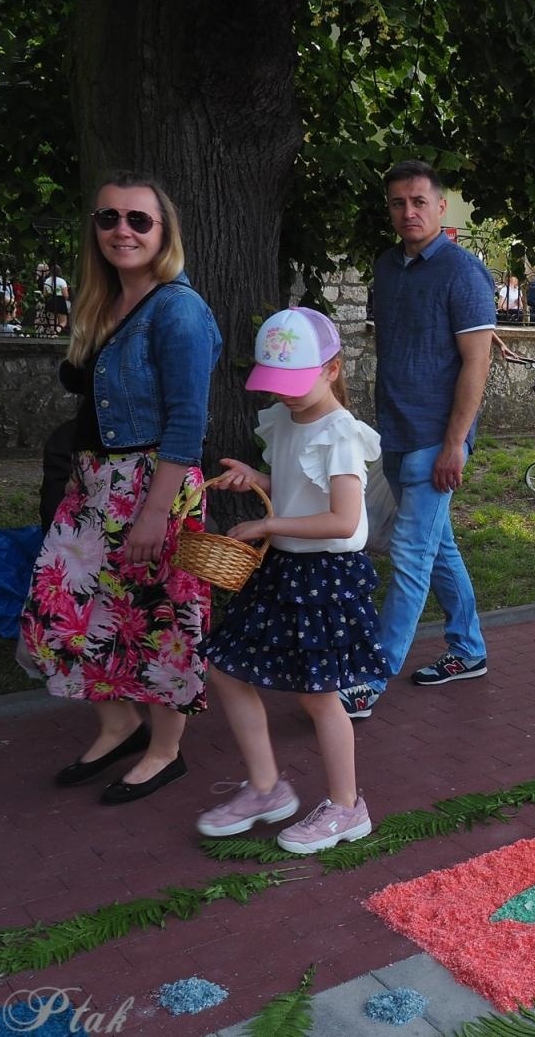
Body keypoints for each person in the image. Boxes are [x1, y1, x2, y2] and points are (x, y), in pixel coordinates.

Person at [21, 172, 221, 804]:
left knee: (163, 620)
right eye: (108, 218)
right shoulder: (103, 302)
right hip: (95, 485)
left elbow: (188, 421)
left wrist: (155, 511)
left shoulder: (179, 309)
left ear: (165, 233)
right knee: (59, 615)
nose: (122, 230)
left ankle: (166, 751)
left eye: (139, 220)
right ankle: (120, 723)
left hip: (154, 485)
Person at [196, 308, 383, 853]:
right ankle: (265, 788)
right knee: (228, 671)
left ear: (332, 369)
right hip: (283, 569)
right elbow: (298, 484)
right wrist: (257, 479)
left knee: (319, 695)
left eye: (297, 384)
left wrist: (269, 521)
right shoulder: (285, 421)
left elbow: (343, 520)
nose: (288, 396)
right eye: (279, 386)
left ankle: (347, 808)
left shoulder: (341, 434)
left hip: (324, 575)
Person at [369, 160, 495, 689]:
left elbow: (477, 364)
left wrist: (454, 445)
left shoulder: (463, 272)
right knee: (437, 546)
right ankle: (468, 649)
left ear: (441, 207)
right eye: (399, 203)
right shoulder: (386, 267)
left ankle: (368, 676)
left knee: (410, 557)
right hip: (393, 434)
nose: (408, 211)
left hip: (433, 441)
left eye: (419, 201)